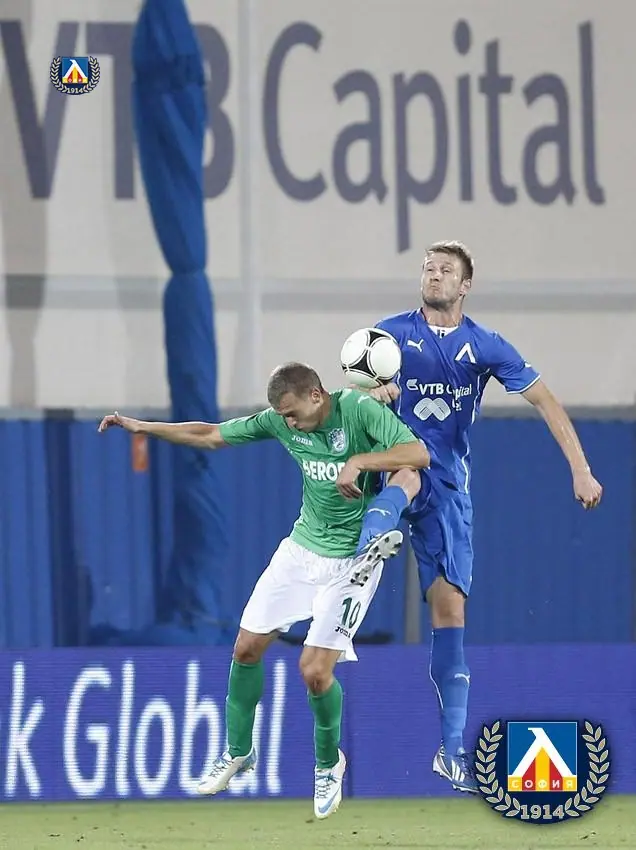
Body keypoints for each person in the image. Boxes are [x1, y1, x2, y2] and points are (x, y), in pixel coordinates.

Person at [98, 361, 428, 818]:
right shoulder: (278, 420)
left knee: (314, 672)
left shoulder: (357, 410)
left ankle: (329, 764)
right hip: (300, 550)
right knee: (246, 648)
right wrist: (144, 427)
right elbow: (210, 435)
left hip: (352, 561)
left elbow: (417, 455)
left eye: (292, 413)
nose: (287, 423)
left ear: (316, 395)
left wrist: (359, 462)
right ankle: (238, 752)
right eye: (281, 415)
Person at [351, 240, 603, 794]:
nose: (434, 275)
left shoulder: (484, 345)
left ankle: (451, 751)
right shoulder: (388, 335)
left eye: (445, 270)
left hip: (449, 489)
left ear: (465, 285)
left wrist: (581, 470)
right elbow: (354, 386)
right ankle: (372, 538)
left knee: (450, 612)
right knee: (407, 470)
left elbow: (546, 401)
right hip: (398, 462)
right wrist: (374, 390)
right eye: (428, 268)